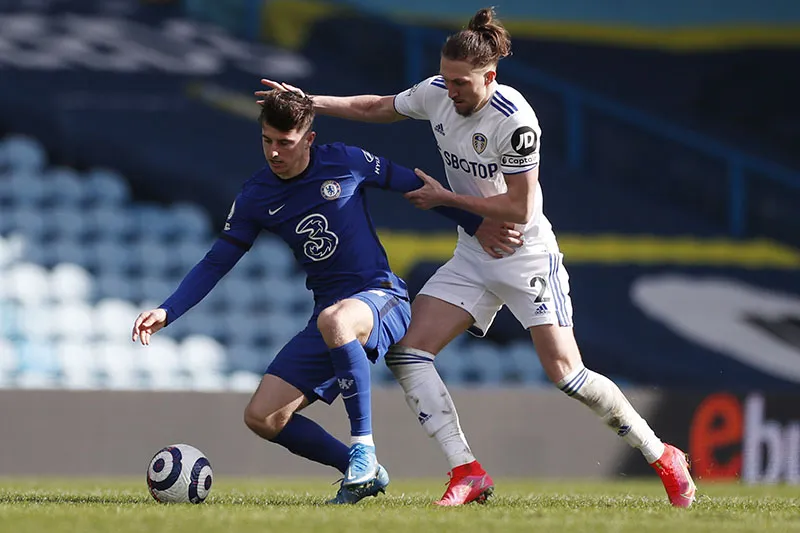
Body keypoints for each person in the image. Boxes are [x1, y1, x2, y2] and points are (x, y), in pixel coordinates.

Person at [256, 6, 697, 508]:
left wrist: (447, 199)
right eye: (446, 79)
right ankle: (467, 469)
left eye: (462, 83)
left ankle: (661, 454)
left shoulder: (515, 120)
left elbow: (521, 206)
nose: (451, 91)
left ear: (490, 76)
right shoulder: (438, 92)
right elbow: (377, 107)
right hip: (473, 253)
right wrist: (309, 101)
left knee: (567, 374)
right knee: (408, 352)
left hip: (523, 252)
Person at [131, 90, 517, 504]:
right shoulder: (256, 196)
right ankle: (361, 469)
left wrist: (476, 224)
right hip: (330, 312)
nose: (274, 153)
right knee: (263, 416)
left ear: (309, 139)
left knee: (336, 320)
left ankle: (364, 449)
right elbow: (216, 262)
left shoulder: (345, 160)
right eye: (267, 141)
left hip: (380, 296)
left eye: (285, 142)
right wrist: (168, 310)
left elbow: (416, 186)